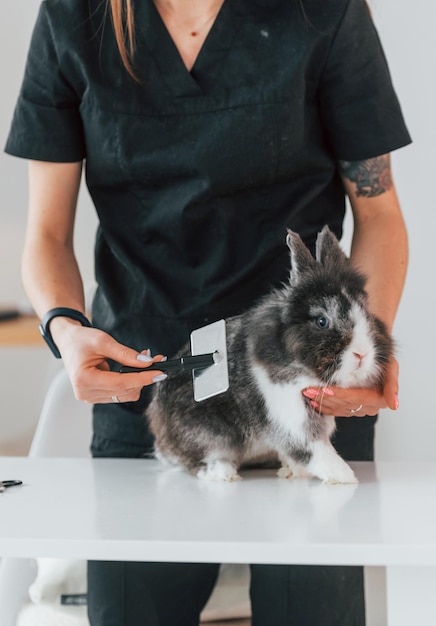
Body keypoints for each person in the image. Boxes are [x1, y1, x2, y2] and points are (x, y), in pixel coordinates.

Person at [5, 0, 410, 624]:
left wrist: (366, 349)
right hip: (153, 381)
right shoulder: (73, 17)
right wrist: (67, 327)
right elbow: (46, 234)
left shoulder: (324, 11)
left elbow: (378, 213)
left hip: (310, 386)